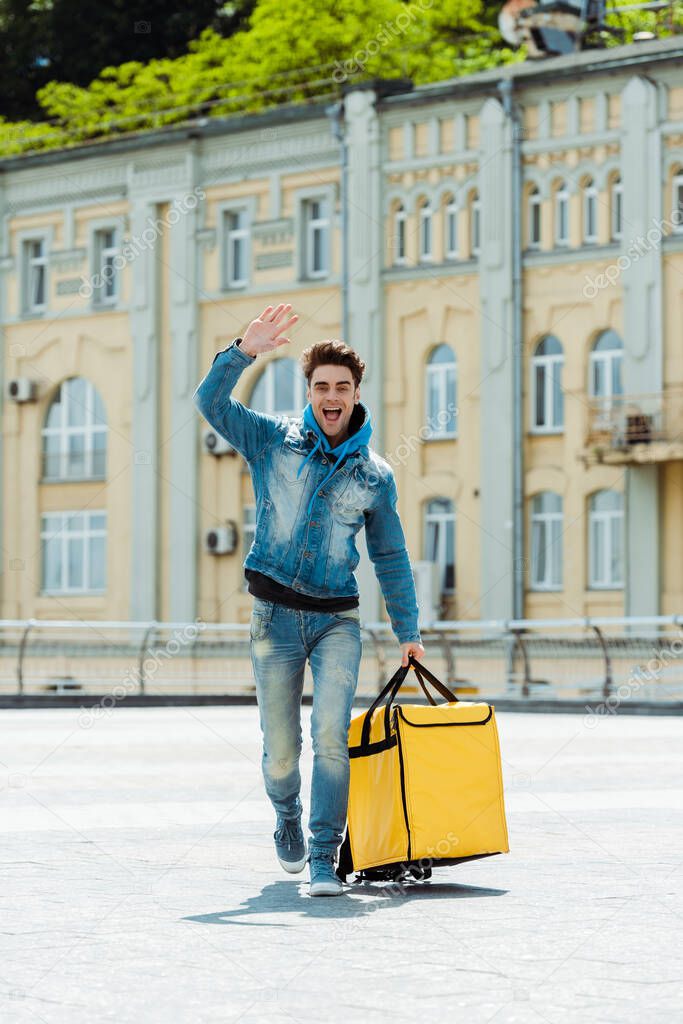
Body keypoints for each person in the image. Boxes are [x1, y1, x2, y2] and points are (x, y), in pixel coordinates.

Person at [193, 303, 425, 896]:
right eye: (321, 385)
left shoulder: (375, 476)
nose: (331, 395)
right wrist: (244, 351)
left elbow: (390, 557)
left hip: (336, 623)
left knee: (330, 736)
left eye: (341, 387)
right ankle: (287, 817)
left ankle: (325, 855)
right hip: (274, 618)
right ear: (309, 391)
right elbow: (212, 405)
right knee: (279, 753)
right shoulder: (272, 441)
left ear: (355, 395)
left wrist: (409, 632)